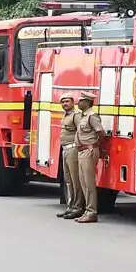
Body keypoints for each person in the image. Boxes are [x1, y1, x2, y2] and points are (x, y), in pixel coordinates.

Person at [57, 88, 104, 221]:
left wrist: (93, 146)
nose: (79, 102)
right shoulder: (82, 116)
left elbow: (100, 133)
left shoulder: (90, 116)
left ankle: (89, 211)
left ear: (87, 102)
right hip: (79, 150)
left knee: (87, 183)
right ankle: (80, 209)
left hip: (86, 150)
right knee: (78, 181)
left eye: (81, 100)